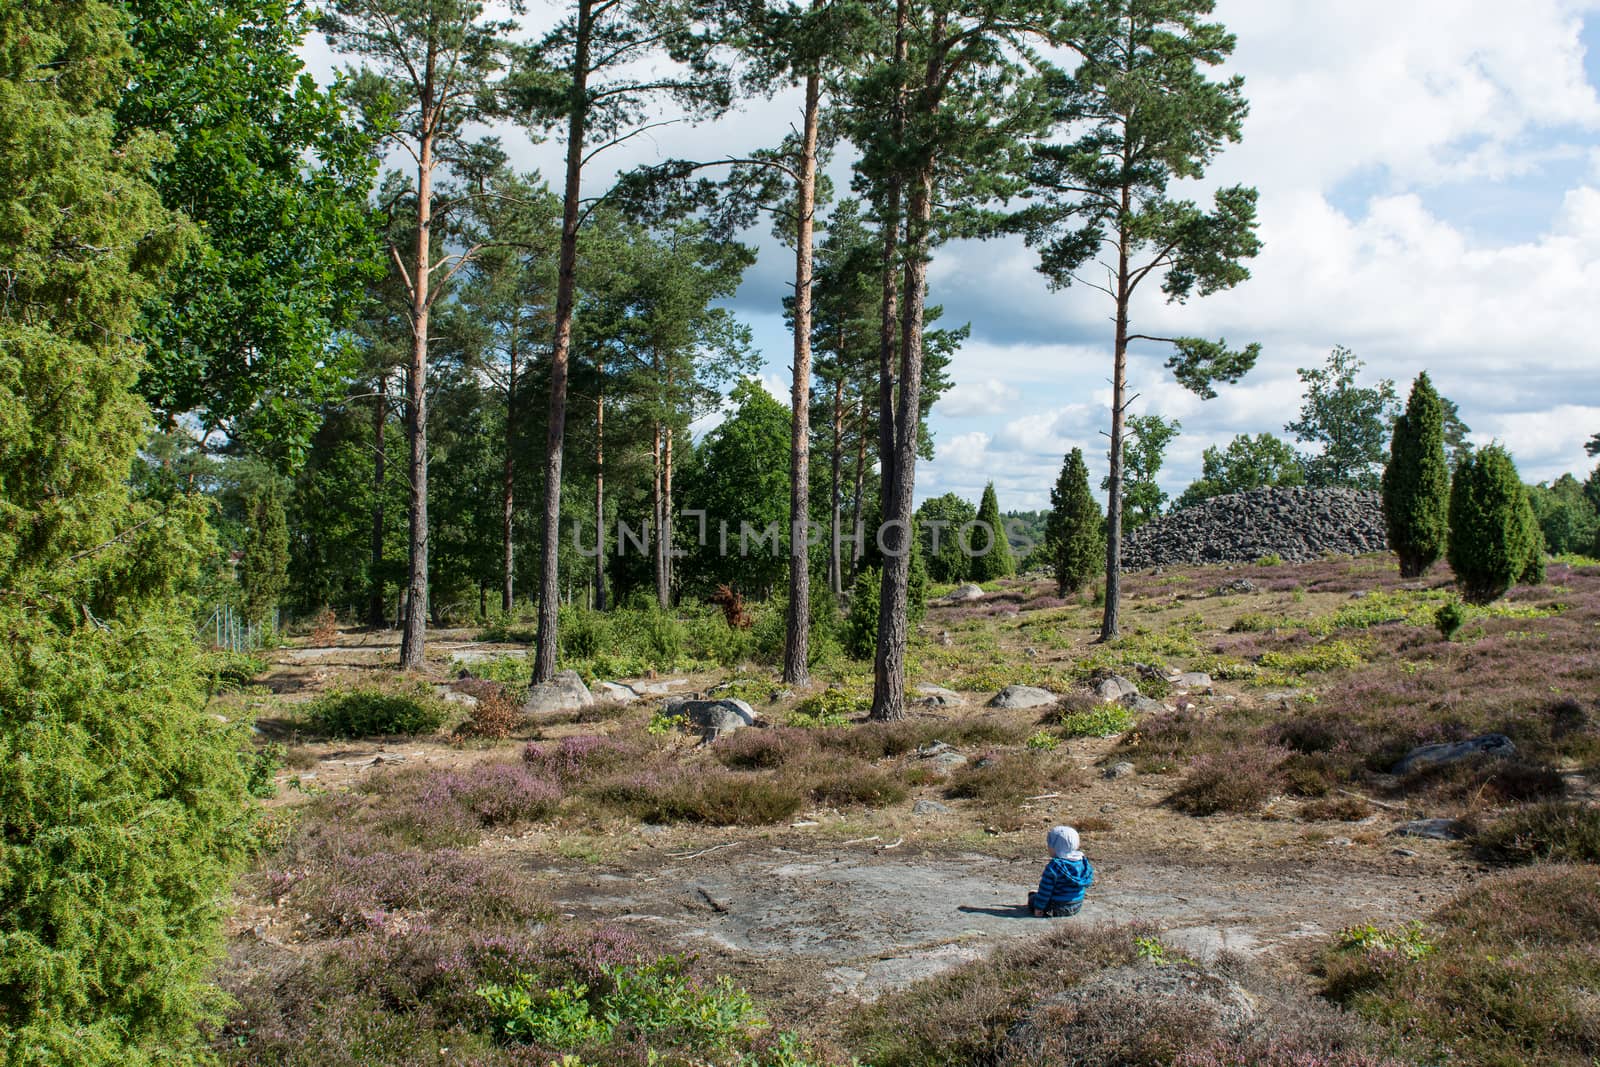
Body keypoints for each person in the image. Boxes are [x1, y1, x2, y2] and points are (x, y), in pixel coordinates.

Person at [1028, 825, 1094, 917]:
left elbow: (1046, 889)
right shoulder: (1082, 862)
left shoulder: (1054, 867)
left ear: (1056, 847)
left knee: (1032, 899)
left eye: (1049, 844)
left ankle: (1037, 900)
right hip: (1077, 905)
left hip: (1057, 907)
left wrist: (1039, 907)